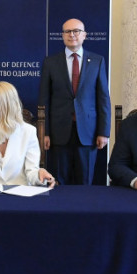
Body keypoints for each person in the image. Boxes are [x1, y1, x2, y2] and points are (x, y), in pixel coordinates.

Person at [39, 18, 111, 185]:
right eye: (67, 31)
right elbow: (44, 99)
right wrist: (44, 132)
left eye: (76, 31)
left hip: (88, 132)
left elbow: (103, 98)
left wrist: (104, 132)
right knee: (58, 183)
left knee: (85, 183)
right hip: (58, 133)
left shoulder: (97, 61)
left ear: (84, 35)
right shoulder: (50, 62)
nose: (72, 35)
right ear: (62, 35)